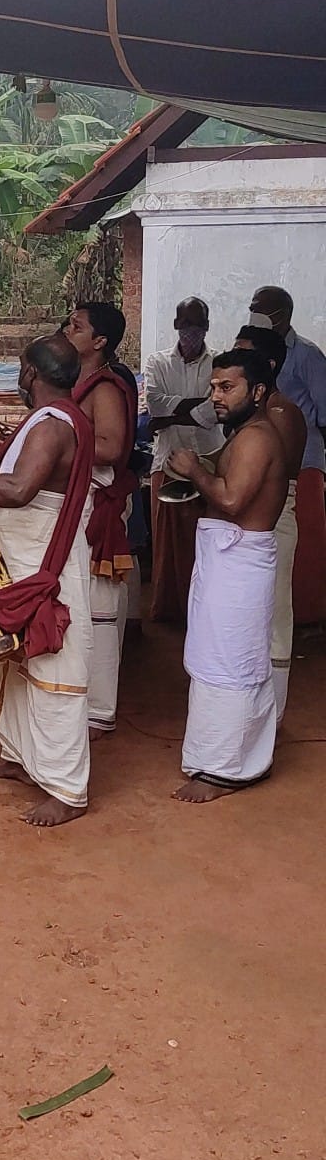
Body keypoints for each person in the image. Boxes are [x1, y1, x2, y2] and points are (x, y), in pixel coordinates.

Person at [0, 332, 96, 828]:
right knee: (21, 662)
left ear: (30, 373)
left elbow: (21, 488)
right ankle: (21, 755)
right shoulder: (50, 419)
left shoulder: (51, 427)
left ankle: (68, 789)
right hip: (24, 561)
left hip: (46, 565)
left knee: (55, 672)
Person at [169, 350, 287, 801]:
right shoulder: (245, 433)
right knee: (221, 656)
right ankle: (227, 759)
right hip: (231, 563)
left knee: (231, 662)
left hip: (241, 565)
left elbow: (234, 500)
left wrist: (194, 469)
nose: (215, 396)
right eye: (214, 386)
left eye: (227, 387)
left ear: (257, 391)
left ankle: (226, 769)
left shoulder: (257, 437)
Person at [64, 302, 138, 738]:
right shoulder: (79, 382)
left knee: (102, 610)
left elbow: (110, 449)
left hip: (101, 507)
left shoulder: (105, 388)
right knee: (84, 606)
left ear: (100, 342)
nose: (67, 329)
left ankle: (100, 711)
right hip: (83, 503)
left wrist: (56, 451)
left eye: (77, 326)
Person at [233, 325, 307, 721]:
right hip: (257, 522)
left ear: (270, 365)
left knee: (275, 615)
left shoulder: (281, 413)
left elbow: (266, 480)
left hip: (273, 521)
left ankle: (273, 714)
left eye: (245, 354)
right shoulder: (262, 414)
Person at [144, 297, 225, 624]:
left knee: (206, 540)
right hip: (168, 462)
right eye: (185, 324)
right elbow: (154, 406)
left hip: (210, 462)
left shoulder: (220, 363)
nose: (191, 331)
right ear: (176, 326)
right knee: (167, 546)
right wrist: (197, 409)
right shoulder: (158, 362)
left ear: (206, 327)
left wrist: (173, 414)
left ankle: (204, 610)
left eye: (197, 324)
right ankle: (170, 611)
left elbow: (215, 412)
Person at [249, 286, 326, 624]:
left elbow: (325, 412)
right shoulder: (253, 353)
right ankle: (276, 615)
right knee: (274, 544)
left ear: (283, 313)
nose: (252, 312)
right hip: (266, 464)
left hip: (304, 462)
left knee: (306, 543)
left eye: (259, 308)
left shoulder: (308, 355)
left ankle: (308, 618)